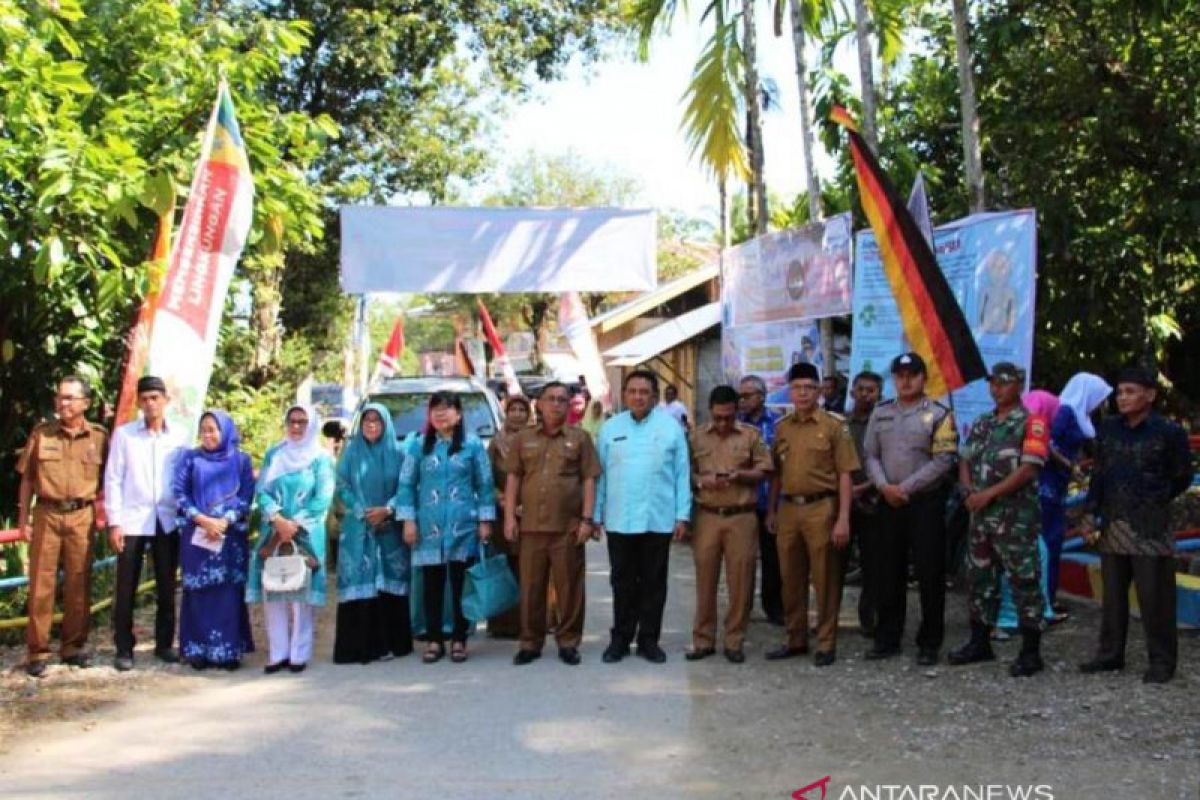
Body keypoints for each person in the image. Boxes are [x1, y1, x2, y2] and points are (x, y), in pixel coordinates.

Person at [1078, 366, 1193, 684]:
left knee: (1155, 596)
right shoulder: (1109, 429)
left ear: (1150, 395)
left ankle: (1161, 662)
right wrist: (1090, 513)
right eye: (1120, 392)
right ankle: (1110, 654)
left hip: (1150, 525)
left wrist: (1155, 498)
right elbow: (1098, 474)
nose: (1122, 398)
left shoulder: (1168, 432)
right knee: (1113, 595)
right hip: (1113, 521)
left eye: (1130, 392)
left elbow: (1182, 475)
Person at [949, 363, 1049, 677]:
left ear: (1019, 385)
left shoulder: (1032, 424)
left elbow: (1029, 469)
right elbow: (965, 458)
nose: (997, 389)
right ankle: (980, 642)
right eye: (993, 383)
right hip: (980, 518)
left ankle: (1031, 651)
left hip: (1015, 518)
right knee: (979, 579)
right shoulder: (983, 423)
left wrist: (988, 494)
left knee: (1024, 581)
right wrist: (968, 489)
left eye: (1004, 383)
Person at [862, 353, 958, 665]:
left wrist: (906, 488)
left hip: (924, 503)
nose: (906, 380)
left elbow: (944, 460)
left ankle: (929, 642)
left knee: (930, 573)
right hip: (889, 502)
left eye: (912, 374)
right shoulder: (881, 412)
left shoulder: (940, 414)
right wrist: (884, 487)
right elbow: (870, 455)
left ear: (923, 378)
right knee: (888, 571)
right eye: (900, 375)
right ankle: (888, 637)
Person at [594, 370, 691, 664]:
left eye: (644, 392)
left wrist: (682, 516)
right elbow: (600, 477)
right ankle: (620, 639)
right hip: (619, 520)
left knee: (653, 582)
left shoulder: (671, 428)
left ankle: (649, 639)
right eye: (632, 391)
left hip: (657, 519)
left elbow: (682, 474)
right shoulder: (610, 429)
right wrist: (596, 516)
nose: (638, 397)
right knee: (622, 582)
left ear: (654, 396)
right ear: (624, 395)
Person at [16, 376, 109, 678]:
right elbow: (28, 478)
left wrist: (108, 516)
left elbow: (112, 479)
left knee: (78, 584)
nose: (63, 403)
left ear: (86, 403)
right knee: (41, 584)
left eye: (70, 398)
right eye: (60, 397)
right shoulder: (42, 434)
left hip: (82, 516)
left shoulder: (99, 437)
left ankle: (72, 648)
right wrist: (22, 520)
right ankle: (37, 652)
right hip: (47, 514)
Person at [765, 363, 858, 666]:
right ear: (789, 391)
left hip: (822, 508)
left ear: (819, 391)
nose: (803, 393)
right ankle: (795, 638)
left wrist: (843, 517)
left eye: (809, 387)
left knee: (825, 578)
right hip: (789, 509)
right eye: (797, 387)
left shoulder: (834, 426)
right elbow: (776, 473)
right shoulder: (782, 428)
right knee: (790, 577)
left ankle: (826, 643)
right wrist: (772, 509)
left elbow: (846, 473)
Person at [504, 382, 601, 666]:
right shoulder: (523, 439)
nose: (557, 404)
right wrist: (509, 517)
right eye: (551, 399)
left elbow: (589, 479)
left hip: (567, 527)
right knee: (531, 588)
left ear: (569, 405)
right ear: (540, 404)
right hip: (531, 527)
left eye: (563, 400)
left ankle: (568, 642)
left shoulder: (580, 439)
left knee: (570, 587)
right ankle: (530, 642)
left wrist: (587, 519)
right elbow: (513, 479)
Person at [396, 391, 496, 664]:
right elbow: (405, 485)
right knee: (431, 585)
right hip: (428, 528)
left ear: (459, 414)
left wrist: (485, 521)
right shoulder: (417, 446)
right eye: (435, 409)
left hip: (464, 527)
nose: (440, 413)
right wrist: (408, 520)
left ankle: (460, 640)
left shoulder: (473, 446)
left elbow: (484, 485)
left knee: (461, 585)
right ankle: (434, 639)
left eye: (447, 408)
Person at [105, 375, 189, 671]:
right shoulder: (125, 435)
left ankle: (164, 644)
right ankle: (124, 648)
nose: (151, 403)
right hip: (132, 519)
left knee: (167, 584)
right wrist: (114, 522)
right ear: (139, 402)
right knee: (126, 585)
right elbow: (113, 479)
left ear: (166, 400)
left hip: (167, 519)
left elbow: (185, 476)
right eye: (145, 398)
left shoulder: (180, 436)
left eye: (156, 397)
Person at [246, 404, 335, 674]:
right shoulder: (276, 453)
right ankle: (277, 653)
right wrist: (277, 519)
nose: (296, 427)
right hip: (274, 532)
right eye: (292, 421)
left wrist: (294, 524)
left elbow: (323, 497)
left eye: (302, 422)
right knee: (274, 588)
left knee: (300, 593)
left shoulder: (320, 458)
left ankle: (298, 653)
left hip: (305, 533)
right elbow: (262, 491)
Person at [686, 385, 772, 663]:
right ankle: (703, 640)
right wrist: (701, 481)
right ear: (710, 411)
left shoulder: (751, 436)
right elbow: (683, 472)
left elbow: (766, 469)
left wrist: (741, 475)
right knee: (705, 581)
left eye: (728, 417)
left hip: (741, 515)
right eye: (718, 417)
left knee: (741, 581)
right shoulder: (696, 437)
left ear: (736, 411)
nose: (723, 423)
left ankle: (734, 640)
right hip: (708, 514)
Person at [173, 410, 256, 670]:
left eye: (213, 429)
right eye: (204, 429)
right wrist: (202, 519)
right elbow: (179, 492)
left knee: (228, 594)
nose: (208, 435)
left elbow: (246, 496)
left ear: (226, 431)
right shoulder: (190, 459)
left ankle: (228, 651)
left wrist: (225, 520)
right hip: (197, 535)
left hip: (229, 537)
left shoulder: (241, 461)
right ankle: (197, 650)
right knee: (199, 592)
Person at [332, 403, 412, 664]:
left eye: (377, 421)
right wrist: (362, 511)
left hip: (389, 528)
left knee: (389, 583)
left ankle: (391, 644)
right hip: (358, 528)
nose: (372, 426)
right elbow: (341, 485)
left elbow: (407, 486)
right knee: (359, 582)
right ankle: (357, 648)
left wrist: (387, 509)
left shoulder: (398, 453)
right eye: (367, 421)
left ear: (386, 424)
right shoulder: (351, 453)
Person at [1043, 373, 1112, 606]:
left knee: (1053, 541)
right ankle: (1044, 602)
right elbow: (1046, 444)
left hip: (1058, 486)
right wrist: (1070, 466)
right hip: (1047, 485)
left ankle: (1047, 598)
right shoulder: (1065, 412)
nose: (1102, 404)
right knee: (1049, 541)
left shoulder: (1080, 416)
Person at [737, 375, 784, 626]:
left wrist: (774, 509)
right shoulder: (735, 425)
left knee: (772, 558)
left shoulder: (778, 424)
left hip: (771, 502)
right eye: (740, 396)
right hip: (743, 502)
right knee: (742, 558)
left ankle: (774, 607)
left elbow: (780, 467)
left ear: (762, 397)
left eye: (747, 396)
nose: (742, 401)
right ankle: (742, 608)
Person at [485, 395, 531, 639]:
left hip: (533, 514)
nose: (517, 414)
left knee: (531, 568)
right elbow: (485, 479)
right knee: (506, 567)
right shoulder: (496, 443)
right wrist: (505, 501)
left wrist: (528, 504)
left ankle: (533, 622)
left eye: (522, 410)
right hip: (503, 514)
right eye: (512, 409)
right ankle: (504, 624)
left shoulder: (536, 440)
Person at [846, 371, 884, 638]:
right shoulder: (841, 424)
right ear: (852, 392)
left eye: (871, 390)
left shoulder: (885, 423)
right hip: (842, 502)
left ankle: (869, 619)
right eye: (861, 389)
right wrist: (848, 490)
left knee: (874, 565)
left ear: (879, 394)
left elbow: (890, 462)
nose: (866, 395)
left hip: (874, 501)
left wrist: (865, 488)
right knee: (835, 564)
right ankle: (828, 620)